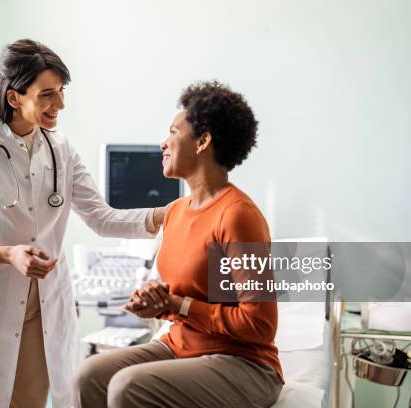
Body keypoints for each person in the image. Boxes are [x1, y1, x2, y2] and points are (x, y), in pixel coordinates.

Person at [0, 39, 165, 408]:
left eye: (62, 92)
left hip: (45, 310)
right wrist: (5, 254)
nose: (61, 105)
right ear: (13, 98)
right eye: (48, 95)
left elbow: (103, 218)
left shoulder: (61, 149)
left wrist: (168, 214)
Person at [73, 81, 283, 408]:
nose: (163, 143)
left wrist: (176, 305)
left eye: (173, 132)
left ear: (203, 141)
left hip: (243, 362)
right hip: (180, 345)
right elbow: (182, 285)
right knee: (87, 376)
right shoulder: (176, 212)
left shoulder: (238, 216)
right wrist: (155, 296)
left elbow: (260, 325)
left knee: (127, 387)